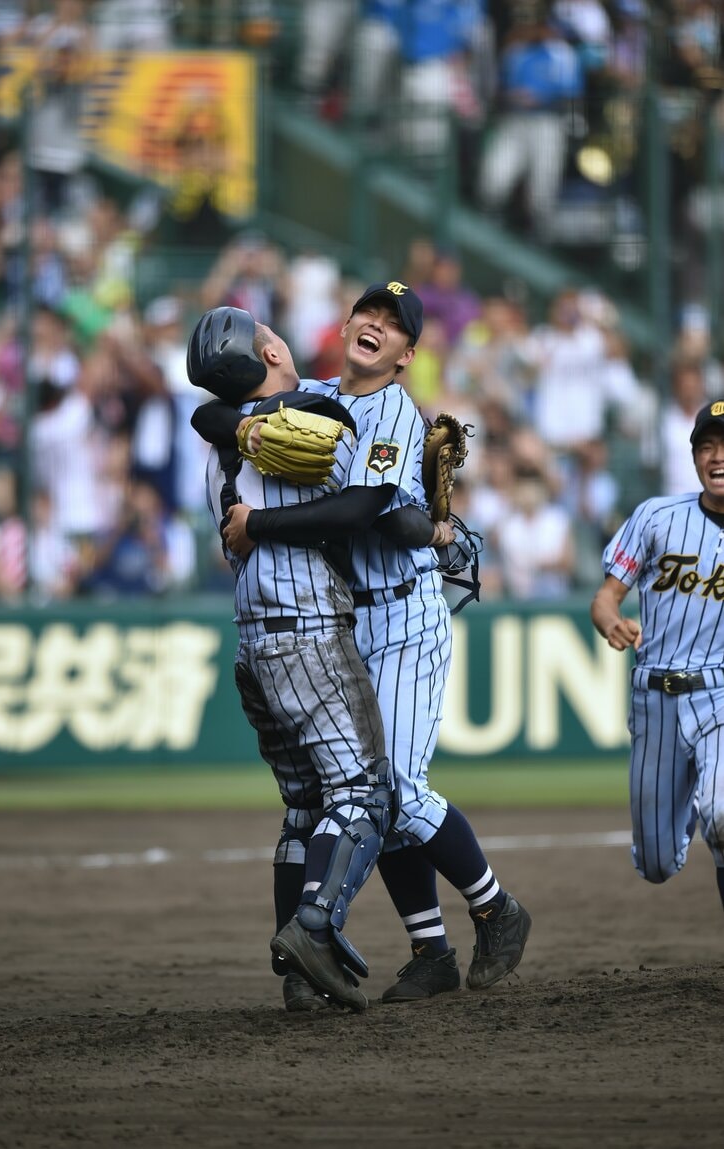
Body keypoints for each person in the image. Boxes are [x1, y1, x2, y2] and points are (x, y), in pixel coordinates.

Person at [223, 280, 532, 1001]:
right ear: (347, 322)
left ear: (405, 354)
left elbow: (377, 515)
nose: (375, 324)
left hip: (401, 613)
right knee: (364, 789)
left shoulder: (393, 408)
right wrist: (241, 427)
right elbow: (215, 410)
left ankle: (495, 908)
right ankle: (430, 951)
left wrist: (429, 522)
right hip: (338, 620)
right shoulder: (316, 393)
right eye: (368, 311)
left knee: (391, 786)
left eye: (392, 324)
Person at [188, 305, 397, 1014]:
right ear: (272, 347)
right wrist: (431, 520)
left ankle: (299, 977)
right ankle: (312, 929)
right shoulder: (317, 412)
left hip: (253, 638)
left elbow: (212, 419)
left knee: (306, 806)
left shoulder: (217, 439)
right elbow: (371, 509)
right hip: (305, 628)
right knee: (364, 793)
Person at [590, 399, 724, 914]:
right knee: (656, 864)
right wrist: (611, 623)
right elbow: (605, 598)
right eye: (706, 446)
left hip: (718, 695)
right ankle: (694, 807)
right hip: (656, 700)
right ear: (693, 459)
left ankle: (710, 804)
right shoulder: (656, 516)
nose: (716, 457)